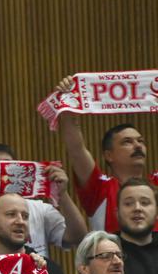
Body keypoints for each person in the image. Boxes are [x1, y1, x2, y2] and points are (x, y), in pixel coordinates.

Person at [51, 77, 158, 232]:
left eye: (140, 141)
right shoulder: (99, 188)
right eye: (127, 142)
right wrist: (67, 105)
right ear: (109, 155)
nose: (138, 145)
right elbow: (76, 150)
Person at [0, 144, 86, 256]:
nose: (2, 175)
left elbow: (78, 237)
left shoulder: (39, 209)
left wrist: (62, 194)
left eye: (8, 167)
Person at [116, 178, 158, 274]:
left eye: (145, 203)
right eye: (128, 204)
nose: (137, 208)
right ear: (117, 213)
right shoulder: (104, 253)